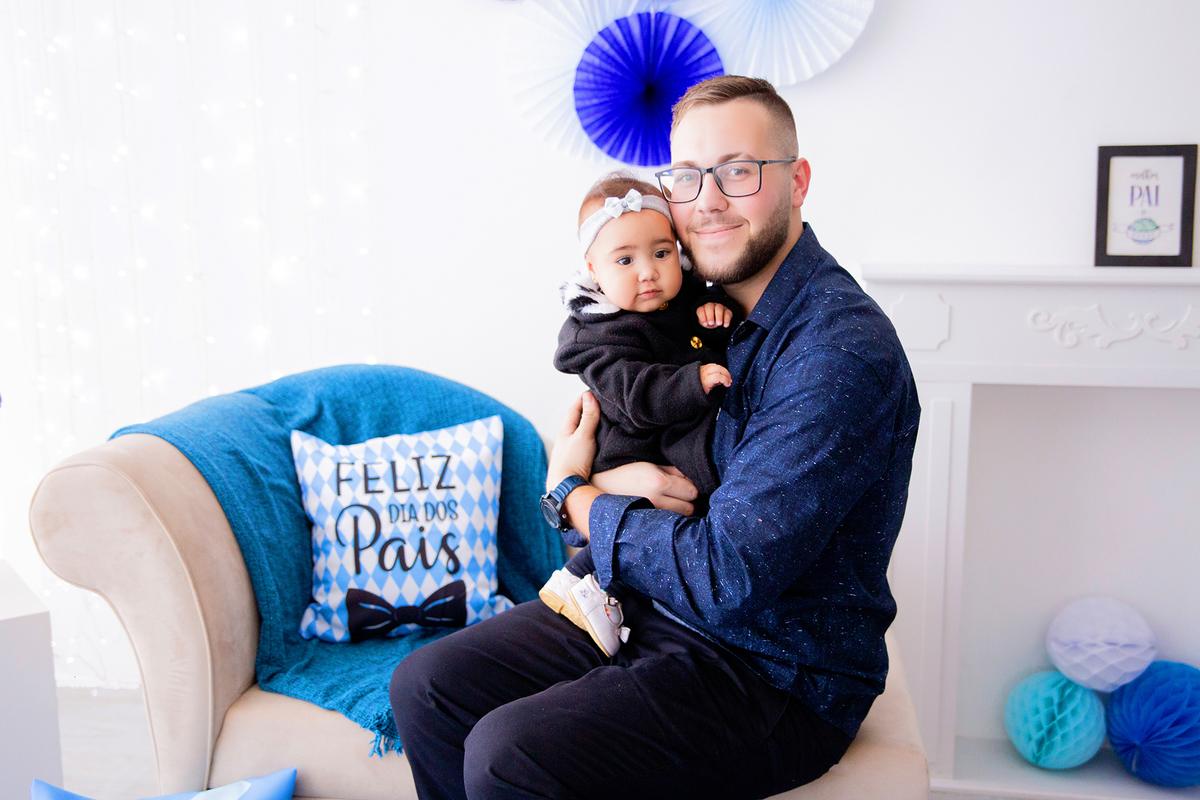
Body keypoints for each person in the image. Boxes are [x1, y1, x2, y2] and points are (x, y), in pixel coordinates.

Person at [389, 75, 921, 800]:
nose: (705, 200)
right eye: (685, 177)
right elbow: (617, 415)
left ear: (796, 182)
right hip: (649, 604)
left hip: (772, 668)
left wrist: (575, 497)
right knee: (427, 687)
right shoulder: (690, 306)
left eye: (738, 171)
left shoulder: (837, 352)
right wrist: (601, 481)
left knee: (508, 755)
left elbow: (725, 577)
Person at [540, 172, 737, 659]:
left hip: (670, 447)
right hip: (626, 446)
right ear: (593, 269)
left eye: (661, 253)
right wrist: (694, 382)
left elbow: (701, 325)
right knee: (635, 519)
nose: (647, 271)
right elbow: (634, 394)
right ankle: (583, 582)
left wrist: (716, 311)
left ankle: (619, 598)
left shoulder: (686, 299)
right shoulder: (595, 335)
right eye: (625, 260)